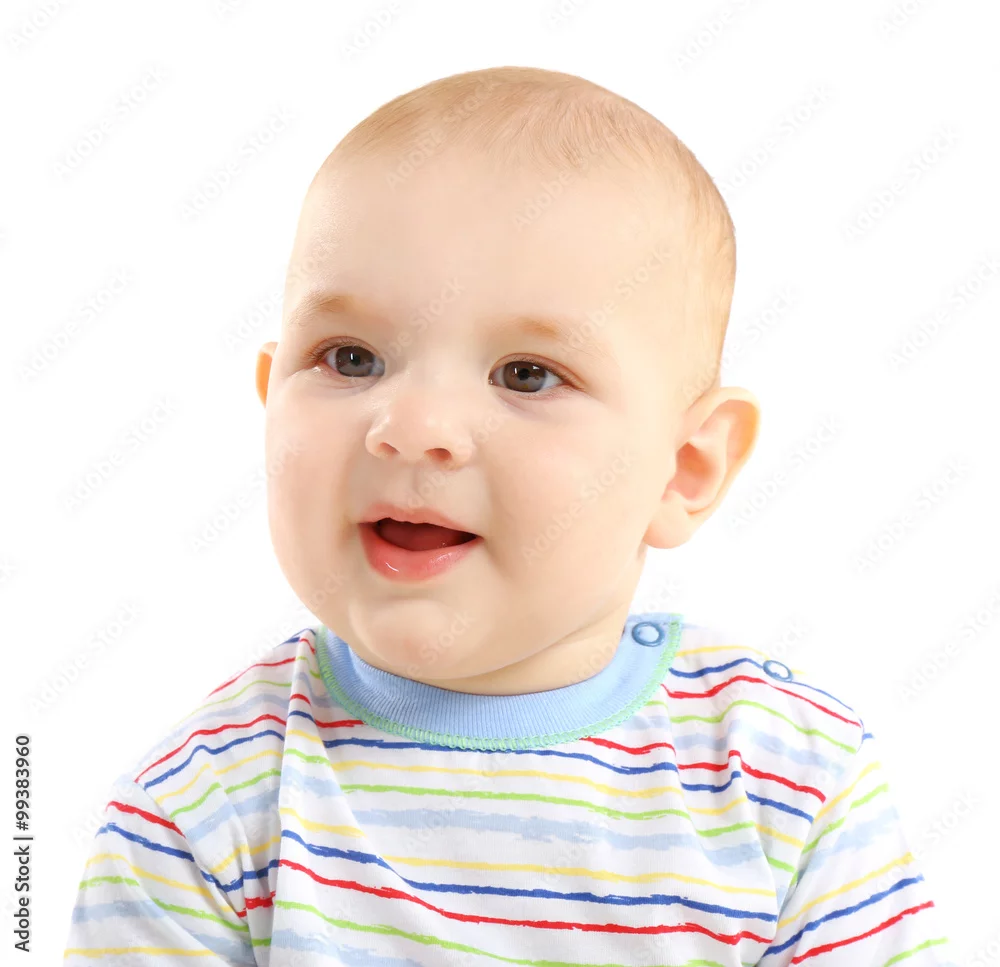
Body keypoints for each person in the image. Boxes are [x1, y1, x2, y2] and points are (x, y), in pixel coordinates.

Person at [63, 66, 956, 965]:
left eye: (526, 374)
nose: (411, 426)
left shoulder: (790, 784)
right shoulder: (200, 812)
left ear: (685, 468)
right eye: (350, 357)